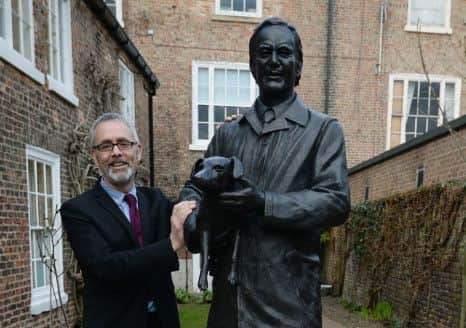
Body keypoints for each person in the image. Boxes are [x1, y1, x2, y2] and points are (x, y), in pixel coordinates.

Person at [181, 17, 350, 327]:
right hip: (229, 306)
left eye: (284, 53)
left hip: (289, 307)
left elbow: (335, 201)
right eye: (264, 52)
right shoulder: (228, 135)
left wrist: (263, 203)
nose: (273, 61)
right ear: (252, 65)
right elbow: (193, 190)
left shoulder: (323, 130)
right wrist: (196, 221)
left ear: (298, 67)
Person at [60, 113, 195, 328]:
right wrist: (170, 245)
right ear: (94, 157)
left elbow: (195, 222)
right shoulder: (78, 210)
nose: (116, 152)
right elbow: (106, 267)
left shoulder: (156, 200)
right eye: (105, 146)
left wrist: (227, 138)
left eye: (123, 143)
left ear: (138, 151)